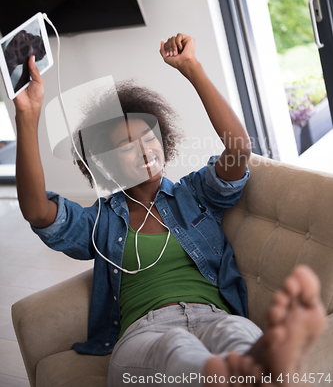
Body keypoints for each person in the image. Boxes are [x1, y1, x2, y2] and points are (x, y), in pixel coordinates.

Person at [14, 34, 326, 386]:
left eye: (149, 137)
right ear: (104, 164)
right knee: (178, 350)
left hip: (215, 318)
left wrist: (192, 69)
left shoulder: (194, 194)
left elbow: (238, 151)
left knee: (239, 337)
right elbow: (39, 212)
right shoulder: (99, 222)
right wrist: (27, 116)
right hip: (144, 336)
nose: (145, 149)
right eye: (127, 145)